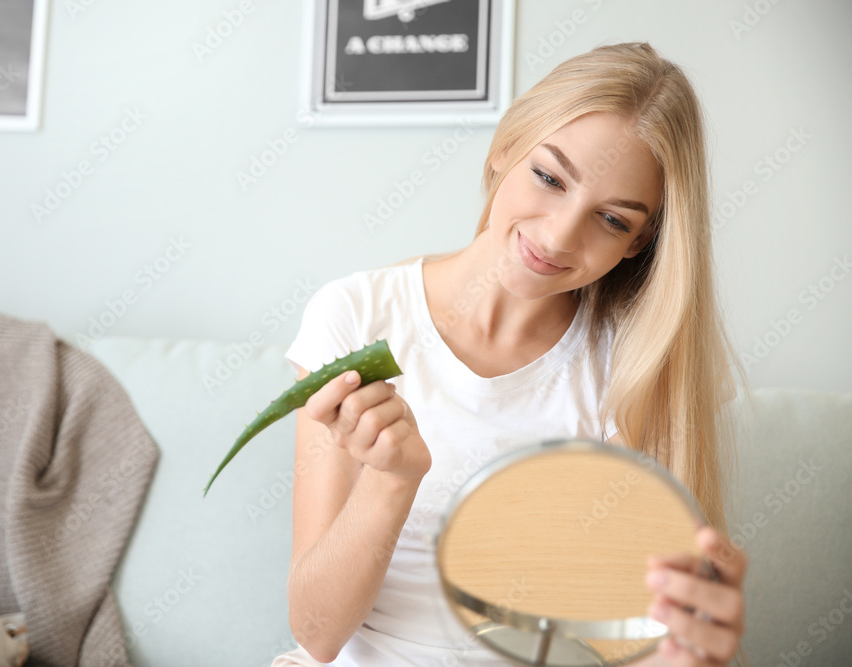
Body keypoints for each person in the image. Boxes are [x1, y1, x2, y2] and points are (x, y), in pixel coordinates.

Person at [272, 42, 748, 667]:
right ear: (505, 150)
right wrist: (392, 481)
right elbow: (317, 631)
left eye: (610, 219)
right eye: (549, 177)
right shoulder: (356, 316)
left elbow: (634, 643)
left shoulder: (636, 368)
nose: (557, 235)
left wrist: (682, 653)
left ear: (641, 242)